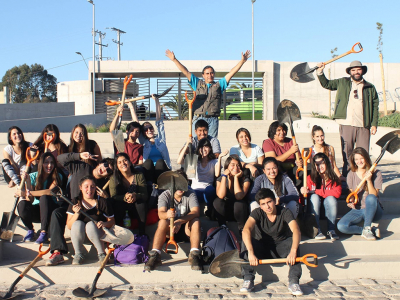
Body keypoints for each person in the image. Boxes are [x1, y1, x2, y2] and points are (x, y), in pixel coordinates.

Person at [45, 152, 113, 266]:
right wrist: (79, 155)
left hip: (92, 217)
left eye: (109, 170)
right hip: (73, 205)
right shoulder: (82, 166)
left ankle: (101, 253)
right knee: (57, 214)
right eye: (105, 165)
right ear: (99, 163)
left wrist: (106, 197)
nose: (105, 169)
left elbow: (109, 209)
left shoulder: (105, 184)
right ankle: (58, 252)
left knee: (91, 225)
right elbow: (60, 158)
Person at [166, 49, 251, 138]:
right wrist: (174, 60)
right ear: (203, 75)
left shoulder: (219, 85)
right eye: (207, 73)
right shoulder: (197, 83)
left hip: (213, 119)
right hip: (198, 118)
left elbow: (231, 73)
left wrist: (242, 61)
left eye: (211, 73)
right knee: (197, 143)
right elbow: (186, 72)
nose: (209, 75)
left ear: (214, 74)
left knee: (212, 143)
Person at [316, 61, 379, 177]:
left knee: (363, 154)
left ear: (362, 71)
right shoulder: (342, 82)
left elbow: (375, 106)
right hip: (346, 123)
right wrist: (320, 72)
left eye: (358, 69)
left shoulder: (369, 87)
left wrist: (374, 123)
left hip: (363, 125)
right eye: (353, 70)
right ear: (350, 71)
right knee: (347, 154)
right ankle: (348, 180)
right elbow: (327, 84)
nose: (356, 72)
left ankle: (363, 181)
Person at [240, 188, 303, 295]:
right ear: (260, 205)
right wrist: (251, 253)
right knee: (246, 240)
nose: (267, 206)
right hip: (262, 248)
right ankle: (248, 279)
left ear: (274, 201)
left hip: (280, 248)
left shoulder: (284, 212)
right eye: (263, 204)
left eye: (269, 202)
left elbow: (296, 230)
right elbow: (246, 230)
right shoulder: (257, 212)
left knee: (293, 241)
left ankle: (293, 282)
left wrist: (293, 251)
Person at [144, 170, 202, 271]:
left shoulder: (190, 194)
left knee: (196, 221)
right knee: (162, 221)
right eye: (177, 184)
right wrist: (167, 214)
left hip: (185, 228)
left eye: (182, 184)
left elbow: (195, 212)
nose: (179, 188)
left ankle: (194, 254)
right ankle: (155, 254)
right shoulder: (165, 195)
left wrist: (179, 221)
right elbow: (160, 213)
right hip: (169, 230)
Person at [16, 153, 66, 244]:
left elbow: (49, 192)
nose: (49, 165)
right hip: (36, 211)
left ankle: (43, 233)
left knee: (44, 198)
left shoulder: (58, 176)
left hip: (50, 211)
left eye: (52, 163)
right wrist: (28, 182)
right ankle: (30, 230)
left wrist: (27, 193)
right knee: (22, 204)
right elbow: (30, 200)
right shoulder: (32, 176)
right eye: (46, 162)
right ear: (41, 164)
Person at [66, 175, 115, 265]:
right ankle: (78, 254)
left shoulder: (102, 201)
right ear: (80, 187)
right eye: (86, 187)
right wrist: (76, 213)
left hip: (98, 235)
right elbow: (69, 226)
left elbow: (112, 222)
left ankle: (101, 253)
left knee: (90, 225)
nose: (89, 190)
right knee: (77, 224)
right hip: (80, 236)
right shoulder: (75, 201)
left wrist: (104, 223)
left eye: (92, 187)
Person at [337, 147, 383, 240]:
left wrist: (369, 180)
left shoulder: (376, 173)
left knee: (370, 198)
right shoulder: (351, 174)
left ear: (366, 158)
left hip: (374, 210)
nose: (359, 161)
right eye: (356, 159)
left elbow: (374, 196)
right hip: (358, 210)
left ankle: (367, 227)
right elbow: (351, 193)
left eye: (362, 158)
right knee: (341, 226)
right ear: (354, 161)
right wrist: (351, 201)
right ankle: (368, 230)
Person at [178, 138, 226, 215]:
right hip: (195, 191)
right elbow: (179, 161)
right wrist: (187, 144)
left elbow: (217, 174)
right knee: (189, 190)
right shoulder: (194, 160)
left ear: (210, 148)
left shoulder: (214, 161)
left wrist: (220, 157)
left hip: (207, 191)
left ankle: (210, 210)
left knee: (210, 190)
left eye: (206, 147)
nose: (204, 149)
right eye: (201, 147)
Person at [301, 153, 341, 240]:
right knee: (314, 197)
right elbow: (304, 198)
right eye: (317, 164)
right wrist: (302, 192)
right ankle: (317, 230)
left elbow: (337, 193)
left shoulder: (334, 178)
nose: (320, 166)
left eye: (322, 163)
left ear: (327, 163)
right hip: (314, 211)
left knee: (331, 199)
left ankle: (331, 230)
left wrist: (315, 191)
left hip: (329, 210)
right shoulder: (309, 178)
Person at [131, 95, 171, 182]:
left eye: (150, 128)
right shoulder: (144, 142)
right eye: (146, 129)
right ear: (143, 132)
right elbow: (136, 123)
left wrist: (156, 100)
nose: (149, 130)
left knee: (160, 162)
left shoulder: (160, 140)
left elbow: (159, 121)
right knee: (148, 162)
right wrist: (131, 106)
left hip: (162, 170)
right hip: (149, 171)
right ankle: (150, 185)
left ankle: (160, 184)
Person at [109, 153, 148, 235]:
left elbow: (145, 195)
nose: (123, 164)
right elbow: (113, 197)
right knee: (116, 205)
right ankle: (116, 233)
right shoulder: (113, 179)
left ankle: (142, 232)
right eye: (119, 162)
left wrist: (135, 196)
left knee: (140, 203)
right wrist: (124, 197)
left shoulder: (138, 175)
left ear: (130, 162)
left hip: (135, 207)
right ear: (117, 166)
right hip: (122, 208)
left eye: (125, 161)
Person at [213, 155, 251, 233]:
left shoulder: (245, 179)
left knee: (239, 203)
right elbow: (221, 195)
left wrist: (236, 178)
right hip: (225, 210)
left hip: (239, 212)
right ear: (227, 166)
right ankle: (222, 226)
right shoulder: (220, 179)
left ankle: (242, 228)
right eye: (232, 165)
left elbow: (239, 196)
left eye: (238, 165)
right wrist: (224, 176)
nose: (235, 167)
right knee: (217, 201)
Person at [262, 121, 303, 185]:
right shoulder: (268, 143)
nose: (282, 132)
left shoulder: (291, 141)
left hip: (293, 168)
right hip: (278, 171)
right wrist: (290, 151)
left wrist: (300, 162)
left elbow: (299, 157)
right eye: (279, 130)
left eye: (284, 130)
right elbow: (273, 161)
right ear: (273, 131)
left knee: (306, 169)